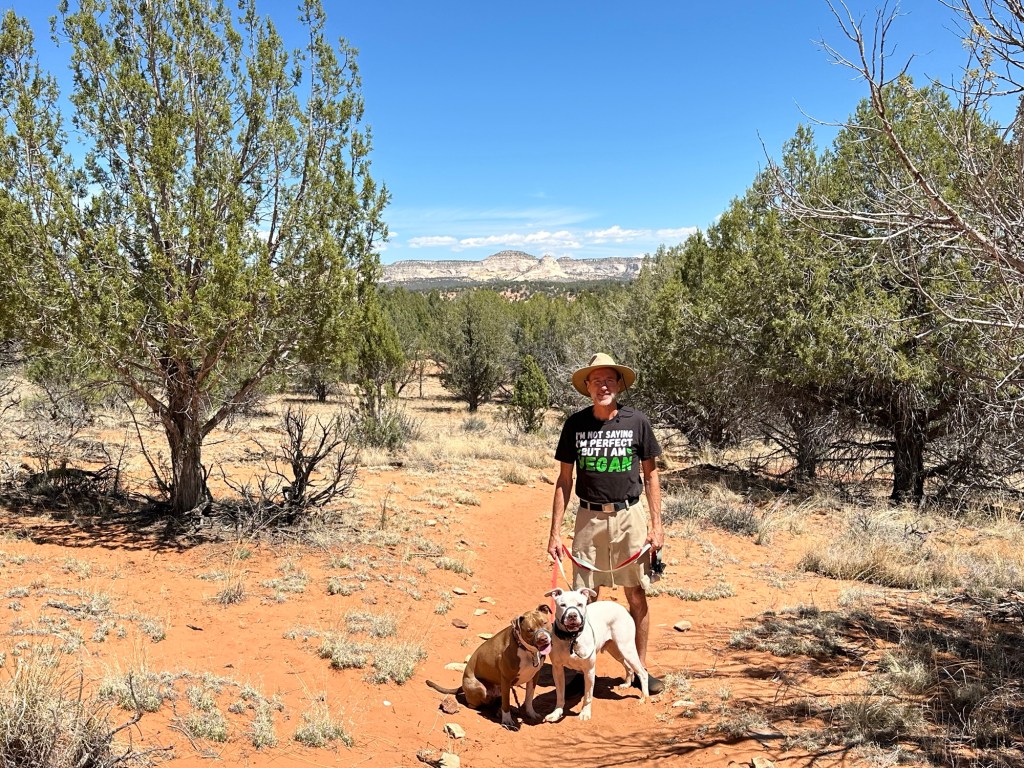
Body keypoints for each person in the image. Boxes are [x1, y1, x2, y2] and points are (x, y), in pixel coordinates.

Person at [547, 352, 665, 694]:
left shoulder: (637, 422)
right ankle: (577, 666)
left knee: (637, 594)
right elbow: (564, 480)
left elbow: (651, 474)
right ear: (587, 387)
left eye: (609, 380)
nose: (603, 386)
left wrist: (657, 526)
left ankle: (638, 668)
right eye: (596, 380)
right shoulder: (575, 424)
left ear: (619, 385)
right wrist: (554, 532)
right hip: (588, 518)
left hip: (630, 517)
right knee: (587, 594)